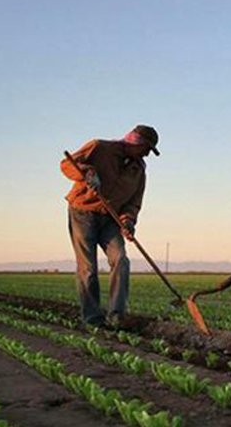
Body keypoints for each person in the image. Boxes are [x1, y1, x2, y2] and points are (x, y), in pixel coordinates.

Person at [60, 125, 160, 327]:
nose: (147, 154)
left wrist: (128, 221)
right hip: (82, 212)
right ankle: (93, 319)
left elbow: (133, 202)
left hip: (110, 218)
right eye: (146, 148)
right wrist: (87, 173)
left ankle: (116, 315)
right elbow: (66, 165)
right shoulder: (99, 147)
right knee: (88, 267)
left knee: (121, 260)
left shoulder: (138, 171)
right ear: (135, 142)